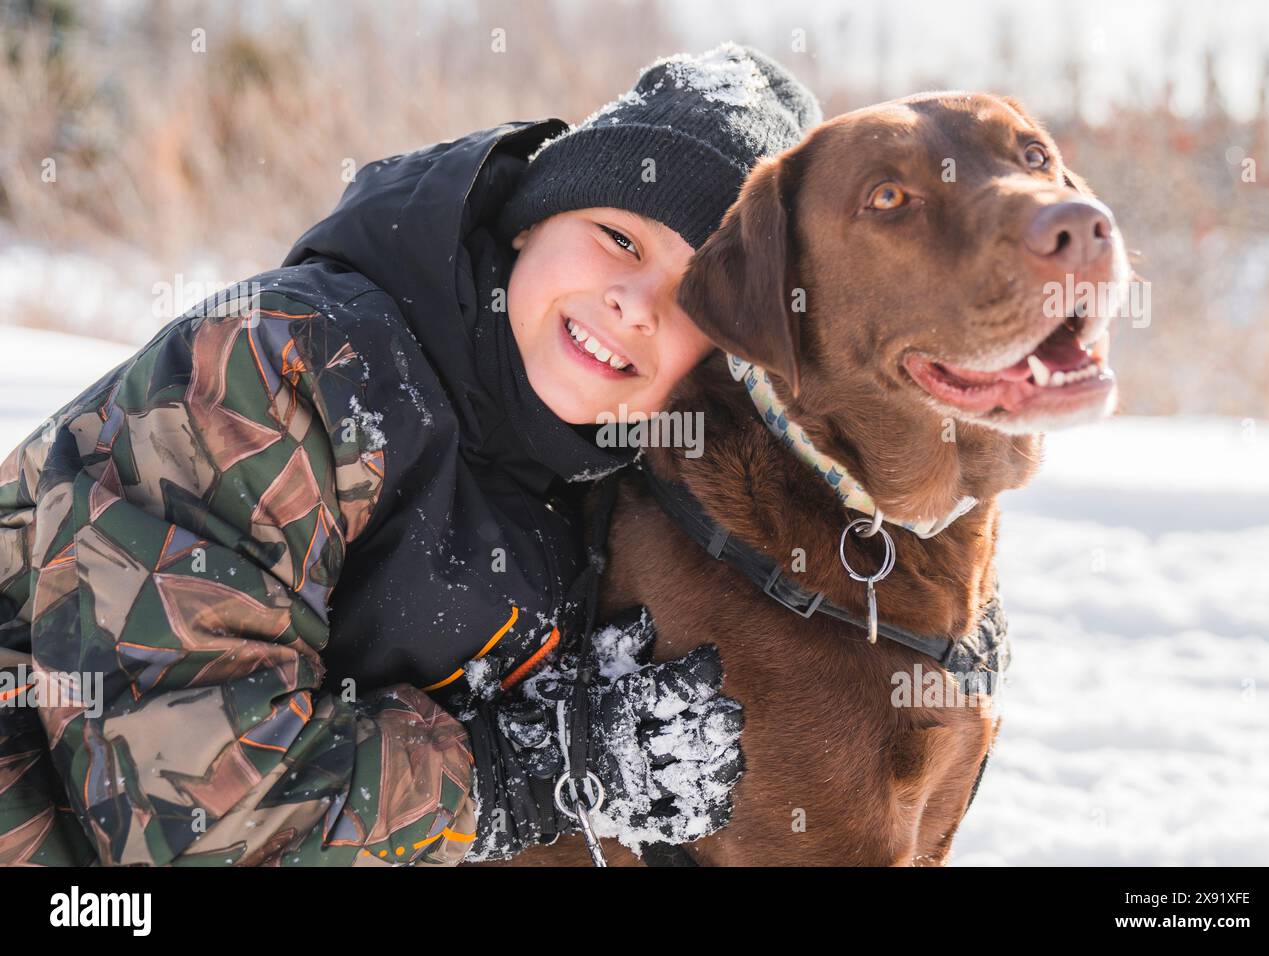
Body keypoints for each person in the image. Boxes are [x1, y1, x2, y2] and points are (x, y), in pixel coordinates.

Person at [0, 42, 821, 866]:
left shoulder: (608, 489)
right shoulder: (282, 369)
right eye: (618, 238)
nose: (635, 305)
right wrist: (528, 773)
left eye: (691, 299)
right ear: (534, 217)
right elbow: (189, 816)